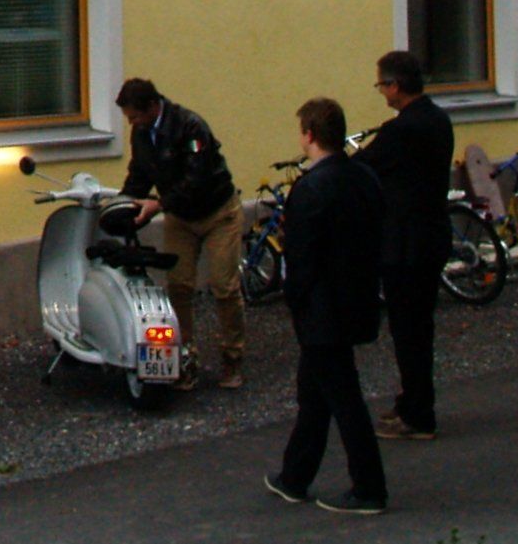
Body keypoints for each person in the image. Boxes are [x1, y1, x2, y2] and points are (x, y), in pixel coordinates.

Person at [268, 97, 390, 516]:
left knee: (342, 398)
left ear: (309, 135)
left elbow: (301, 258)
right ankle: (294, 476)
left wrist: (295, 300)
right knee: (315, 393)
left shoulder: (310, 188)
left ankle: (369, 487)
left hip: (322, 309)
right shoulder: (364, 177)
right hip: (356, 298)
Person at [116, 75, 245, 388]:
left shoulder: (190, 127)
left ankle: (232, 357)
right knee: (179, 286)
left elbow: (197, 178)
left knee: (224, 286)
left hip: (218, 212)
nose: (132, 123)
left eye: (135, 116)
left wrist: (159, 205)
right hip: (180, 216)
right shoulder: (141, 133)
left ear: (152, 106)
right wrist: (123, 205)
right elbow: (139, 173)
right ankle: (186, 358)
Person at [356, 48, 453, 440]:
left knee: (408, 331)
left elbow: (364, 166)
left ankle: (418, 413)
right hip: (432, 234)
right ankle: (412, 400)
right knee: (419, 327)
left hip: (406, 244)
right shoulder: (438, 119)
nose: (381, 92)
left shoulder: (400, 131)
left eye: (382, 85)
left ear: (395, 85)